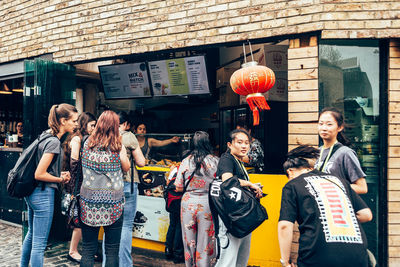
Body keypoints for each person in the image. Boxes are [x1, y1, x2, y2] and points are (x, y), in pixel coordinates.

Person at [278, 145, 373, 267]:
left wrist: (285, 262)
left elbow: (285, 226)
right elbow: (366, 215)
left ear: (290, 172)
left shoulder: (293, 185)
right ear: (311, 167)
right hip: (358, 257)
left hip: (317, 258)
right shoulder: (339, 181)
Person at [20, 103, 78, 267]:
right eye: (73, 121)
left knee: (31, 235)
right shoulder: (53, 142)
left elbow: (42, 170)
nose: (76, 124)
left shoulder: (45, 135)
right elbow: (39, 173)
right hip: (42, 194)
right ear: (63, 121)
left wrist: (57, 175)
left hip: (33, 193)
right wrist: (60, 179)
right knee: (39, 244)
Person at [79, 110, 130, 267]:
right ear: (115, 126)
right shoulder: (117, 145)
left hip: (88, 202)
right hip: (113, 204)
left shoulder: (86, 143)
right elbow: (126, 167)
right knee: (111, 250)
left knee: (88, 249)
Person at [102, 111, 145, 267]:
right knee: (126, 225)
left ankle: (107, 263)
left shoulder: (102, 136)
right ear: (125, 124)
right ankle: (125, 264)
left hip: (107, 186)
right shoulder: (128, 136)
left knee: (109, 225)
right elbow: (141, 162)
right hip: (127, 184)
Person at [215, 129, 263, 267]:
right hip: (231, 217)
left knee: (241, 258)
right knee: (228, 259)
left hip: (241, 217)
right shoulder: (227, 159)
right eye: (240, 142)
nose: (244, 146)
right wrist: (248, 183)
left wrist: (252, 189)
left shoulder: (239, 161)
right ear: (230, 144)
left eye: (247, 143)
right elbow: (227, 181)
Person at [175, 131, 219, 267]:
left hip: (188, 203)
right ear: (208, 142)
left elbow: (178, 187)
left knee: (189, 240)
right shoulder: (215, 161)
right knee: (206, 241)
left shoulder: (186, 161)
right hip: (207, 203)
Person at [62, 112, 97, 263]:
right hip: (77, 186)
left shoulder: (86, 139)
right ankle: (73, 251)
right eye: (92, 125)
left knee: (83, 220)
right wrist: (76, 189)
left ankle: (84, 251)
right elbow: (74, 164)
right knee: (79, 221)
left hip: (83, 185)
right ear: (84, 125)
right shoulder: (77, 139)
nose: (94, 128)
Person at [316, 107, 368, 194]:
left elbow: (362, 188)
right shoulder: (317, 152)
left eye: (329, 124)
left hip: (338, 205)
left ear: (340, 127)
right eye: (321, 124)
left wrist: (332, 187)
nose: (324, 128)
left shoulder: (345, 153)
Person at [164, 163, 184, 263]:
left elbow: (168, 183)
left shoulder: (174, 168)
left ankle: (168, 250)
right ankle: (177, 254)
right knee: (179, 226)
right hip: (181, 200)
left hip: (171, 201)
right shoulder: (186, 168)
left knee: (172, 225)